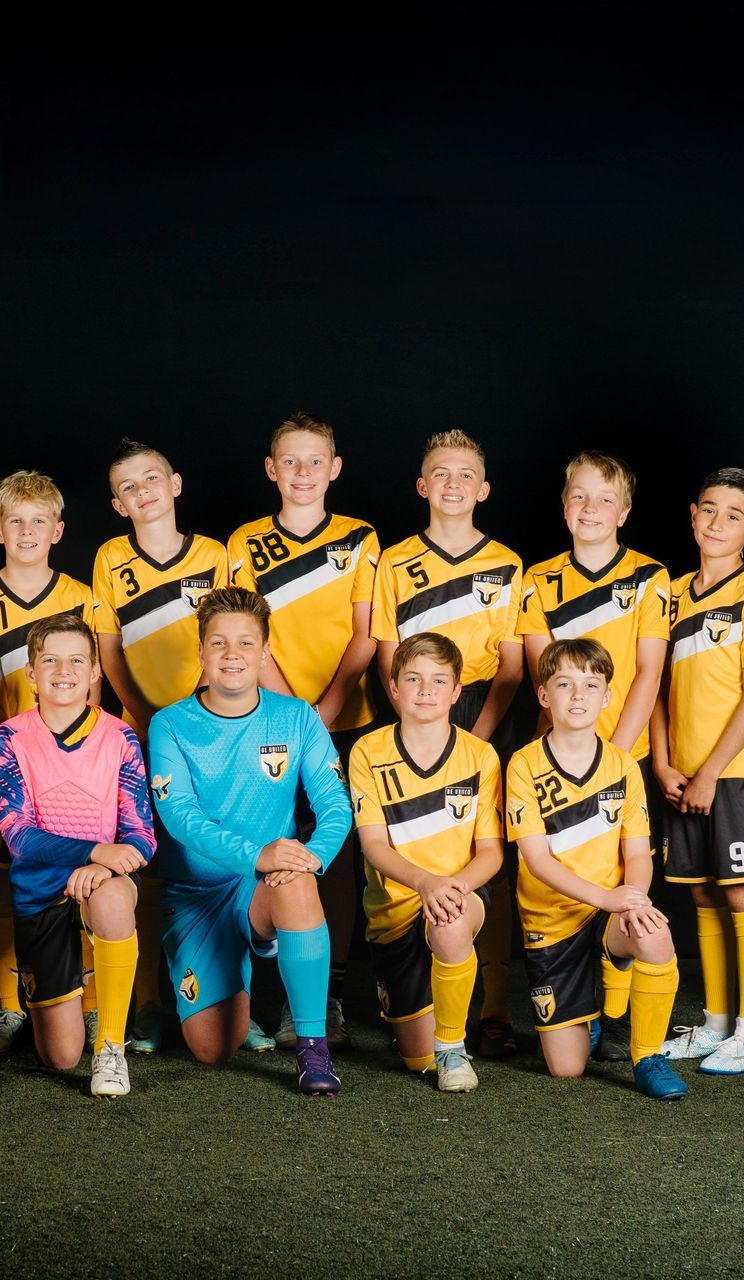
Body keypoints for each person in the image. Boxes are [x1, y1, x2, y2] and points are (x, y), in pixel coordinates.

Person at [148, 588, 353, 1095]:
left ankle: (312, 1047)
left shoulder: (297, 717)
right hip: (196, 896)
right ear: (201, 652)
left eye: (245, 643)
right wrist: (255, 854)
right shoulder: (169, 724)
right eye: (219, 643)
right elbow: (180, 817)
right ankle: (241, 959)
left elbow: (335, 804)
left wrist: (312, 858)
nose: (232, 654)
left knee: (298, 879)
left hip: (266, 884)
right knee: (213, 1049)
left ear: (265, 653)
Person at [228, 411, 380, 1049]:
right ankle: (259, 994)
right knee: (266, 843)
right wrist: (296, 712)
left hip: (344, 720)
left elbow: (367, 635)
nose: (302, 472)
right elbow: (247, 633)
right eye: (289, 461)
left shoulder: (359, 538)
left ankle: (327, 998)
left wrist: (330, 705)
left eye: (315, 460)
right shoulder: (245, 542)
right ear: (271, 469)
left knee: (333, 854)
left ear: (335, 468)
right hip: (267, 721)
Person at [371, 429, 524, 1059]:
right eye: (441, 473)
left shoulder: (508, 562)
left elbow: (512, 666)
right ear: (422, 486)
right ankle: (405, 980)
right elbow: (387, 656)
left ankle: (493, 1006)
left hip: (483, 709)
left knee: (489, 854)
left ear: (483, 489)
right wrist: (416, 721)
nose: (453, 484)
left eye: (466, 474)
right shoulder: (394, 561)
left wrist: (473, 739)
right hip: (417, 704)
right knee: (410, 837)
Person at [516, 450, 671, 1061]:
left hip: (622, 756)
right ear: (563, 506)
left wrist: (617, 758)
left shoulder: (650, 577)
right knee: (557, 869)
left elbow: (650, 672)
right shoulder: (538, 579)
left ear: (624, 512)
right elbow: (544, 673)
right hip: (556, 755)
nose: (591, 508)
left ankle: (615, 1010)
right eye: (579, 496)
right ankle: (576, 1003)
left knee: (625, 872)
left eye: (606, 499)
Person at [90, 438, 232, 1051]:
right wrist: (147, 718)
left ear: (175, 484)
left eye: (152, 478)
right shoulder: (110, 558)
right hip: (144, 732)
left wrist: (198, 713)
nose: (142, 491)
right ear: (117, 504)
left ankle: (226, 997)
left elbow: (228, 640)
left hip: (212, 728)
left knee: (216, 860)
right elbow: (109, 651)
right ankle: (148, 1002)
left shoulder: (215, 555)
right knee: (146, 863)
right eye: (128, 486)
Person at [506, 639, 686, 1102]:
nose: (577, 695)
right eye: (564, 684)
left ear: (607, 697)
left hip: (608, 914)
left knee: (654, 934)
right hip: (553, 921)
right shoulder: (523, 764)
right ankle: (585, 1016)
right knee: (566, 1069)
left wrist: (633, 900)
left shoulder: (623, 765)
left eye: (590, 685)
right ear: (544, 695)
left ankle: (648, 1056)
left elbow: (639, 854)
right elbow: (536, 859)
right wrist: (606, 897)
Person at [649, 469, 744, 1077]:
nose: (717, 523)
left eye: (734, 515)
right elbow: (656, 687)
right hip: (681, 771)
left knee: (741, 889)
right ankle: (716, 1022)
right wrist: (662, 761)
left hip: (734, 773)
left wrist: (710, 772)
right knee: (702, 891)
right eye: (708, 510)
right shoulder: (673, 593)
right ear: (692, 515)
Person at [0, 615, 154, 1097]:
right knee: (60, 1056)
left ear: (95, 672)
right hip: (40, 893)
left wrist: (101, 866)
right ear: (30, 672)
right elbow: (19, 836)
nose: (64, 671)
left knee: (111, 899)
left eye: (77, 660)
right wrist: (93, 851)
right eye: (51, 660)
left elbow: (142, 836)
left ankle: (111, 1047)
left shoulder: (119, 737)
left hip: (101, 883)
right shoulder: (9, 738)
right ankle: (77, 991)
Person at [0, 471, 97, 1055]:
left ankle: (87, 1001)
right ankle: (8, 1004)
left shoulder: (82, 597)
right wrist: (18, 737)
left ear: (57, 530)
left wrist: (61, 740)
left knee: (82, 877)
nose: (26, 531)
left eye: (38, 520)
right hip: (3, 763)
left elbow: (95, 683)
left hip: (75, 768)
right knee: (3, 882)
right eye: (15, 520)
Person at [347, 633, 503, 1092]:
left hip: (458, 893)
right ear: (393, 687)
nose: (425, 690)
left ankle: (453, 1048)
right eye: (413, 679)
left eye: (439, 680)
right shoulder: (368, 751)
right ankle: (419, 1005)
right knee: (417, 1059)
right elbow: (373, 846)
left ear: (456, 692)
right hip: (396, 907)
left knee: (450, 922)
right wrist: (426, 883)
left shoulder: (480, 755)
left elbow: (491, 853)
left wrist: (450, 888)